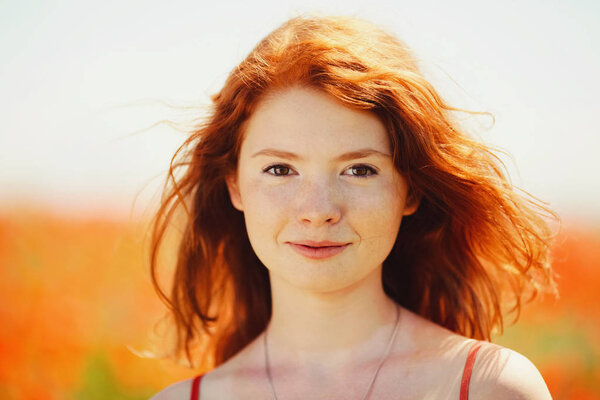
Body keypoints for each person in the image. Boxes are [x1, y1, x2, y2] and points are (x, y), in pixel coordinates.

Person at [149, 14, 556, 399]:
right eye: (280, 169)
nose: (318, 209)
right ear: (234, 186)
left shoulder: (490, 388)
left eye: (359, 170)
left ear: (410, 190)